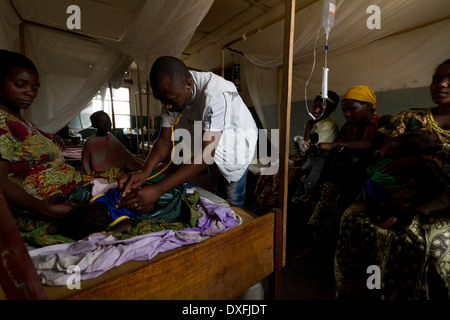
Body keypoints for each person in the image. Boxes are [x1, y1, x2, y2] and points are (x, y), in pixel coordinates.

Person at [335, 59, 450, 299]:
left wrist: (418, 161)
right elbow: (384, 144)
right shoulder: (413, 116)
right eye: (437, 78)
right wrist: (384, 154)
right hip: (395, 181)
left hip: (438, 190)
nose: (441, 84)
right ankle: (356, 291)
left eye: (449, 79)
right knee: (351, 215)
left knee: (433, 249)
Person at [117, 56, 258, 210]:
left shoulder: (215, 95)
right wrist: (145, 171)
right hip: (211, 145)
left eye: (170, 100)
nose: (167, 106)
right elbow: (164, 140)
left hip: (235, 146)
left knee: (232, 201)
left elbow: (205, 155)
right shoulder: (171, 92)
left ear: (188, 85)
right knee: (216, 193)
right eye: (162, 101)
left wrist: (158, 189)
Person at [0, 49, 124, 220]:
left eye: (35, 88)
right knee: (134, 195)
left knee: (131, 179)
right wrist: (48, 210)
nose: (30, 92)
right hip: (52, 200)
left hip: (72, 182)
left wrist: (51, 139)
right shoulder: (2, 121)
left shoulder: (20, 120)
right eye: (20, 85)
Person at [291, 85, 392, 255]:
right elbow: (332, 150)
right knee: (322, 188)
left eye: (352, 109)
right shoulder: (348, 128)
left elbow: (372, 143)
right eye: (344, 110)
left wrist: (334, 145)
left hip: (373, 179)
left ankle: (328, 244)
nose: (346, 114)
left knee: (332, 187)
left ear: (369, 106)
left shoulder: (384, 121)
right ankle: (318, 240)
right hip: (349, 178)